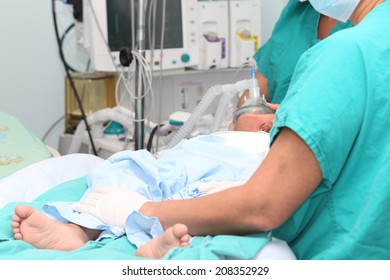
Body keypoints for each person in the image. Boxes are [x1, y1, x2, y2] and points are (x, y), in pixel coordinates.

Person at [12, 0, 390, 260]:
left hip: (327, 244)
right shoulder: (365, 41)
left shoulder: (346, 54)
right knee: (131, 166)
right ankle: (80, 230)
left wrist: (141, 211)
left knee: (206, 203)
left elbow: (262, 205)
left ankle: (143, 237)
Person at [230, 0, 353, 132]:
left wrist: (283, 121)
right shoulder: (297, 10)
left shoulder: (366, 21)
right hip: (271, 143)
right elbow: (255, 93)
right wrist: (243, 118)